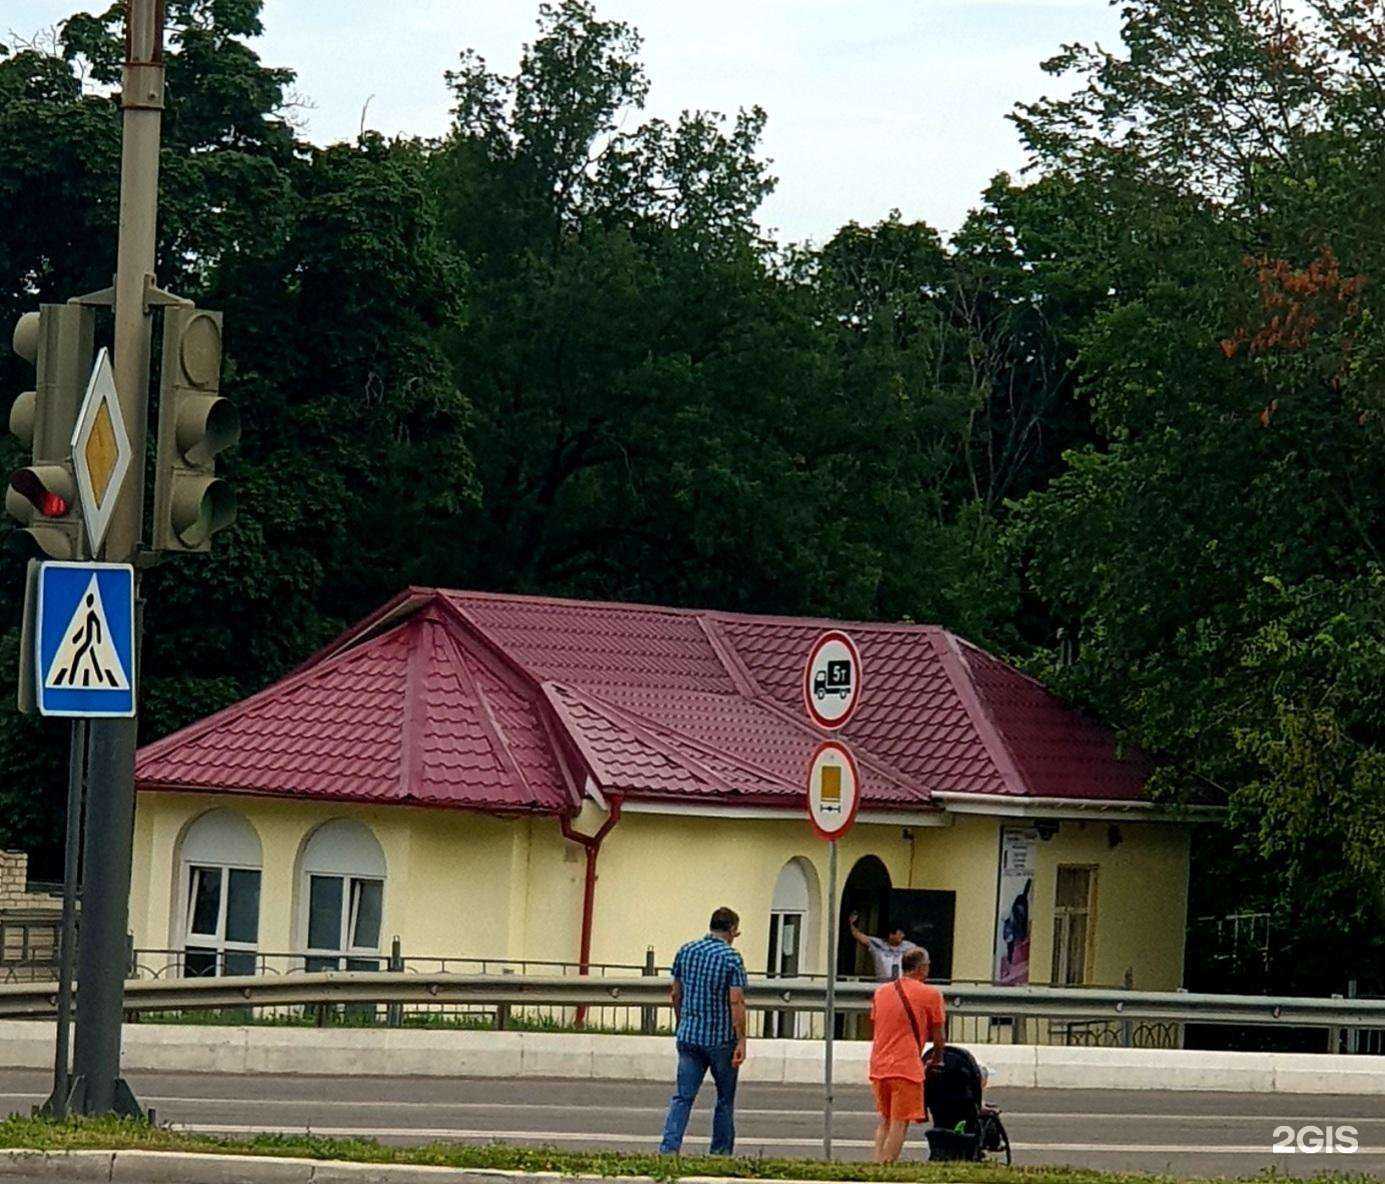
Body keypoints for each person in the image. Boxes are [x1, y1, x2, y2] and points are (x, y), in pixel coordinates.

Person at [659, 906, 748, 1156]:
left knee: (682, 1097)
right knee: (724, 1099)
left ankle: (669, 1148)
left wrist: (682, 1022)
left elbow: (676, 993)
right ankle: (719, 1153)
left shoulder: (685, 951)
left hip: (689, 1036)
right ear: (731, 929)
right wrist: (741, 1039)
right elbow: (736, 1001)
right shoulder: (732, 958)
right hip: (721, 1039)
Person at [868, 946, 945, 1164]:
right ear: (922, 968)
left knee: (885, 1119)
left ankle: (876, 1164)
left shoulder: (881, 992)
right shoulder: (930, 994)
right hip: (906, 1067)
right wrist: (937, 1060)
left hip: (879, 1065)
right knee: (899, 1122)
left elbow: (879, 1022)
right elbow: (939, 1036)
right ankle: (886, 1166)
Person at [848, 911, 919, 981]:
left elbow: (922, 960)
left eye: (903, 934)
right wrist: (851, 923)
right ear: (891, 935)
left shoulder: (910, 947)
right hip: (883, 986)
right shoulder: (877, 944)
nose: (903, 936)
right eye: (900, 934)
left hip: (903, 986)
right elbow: (857, 935)